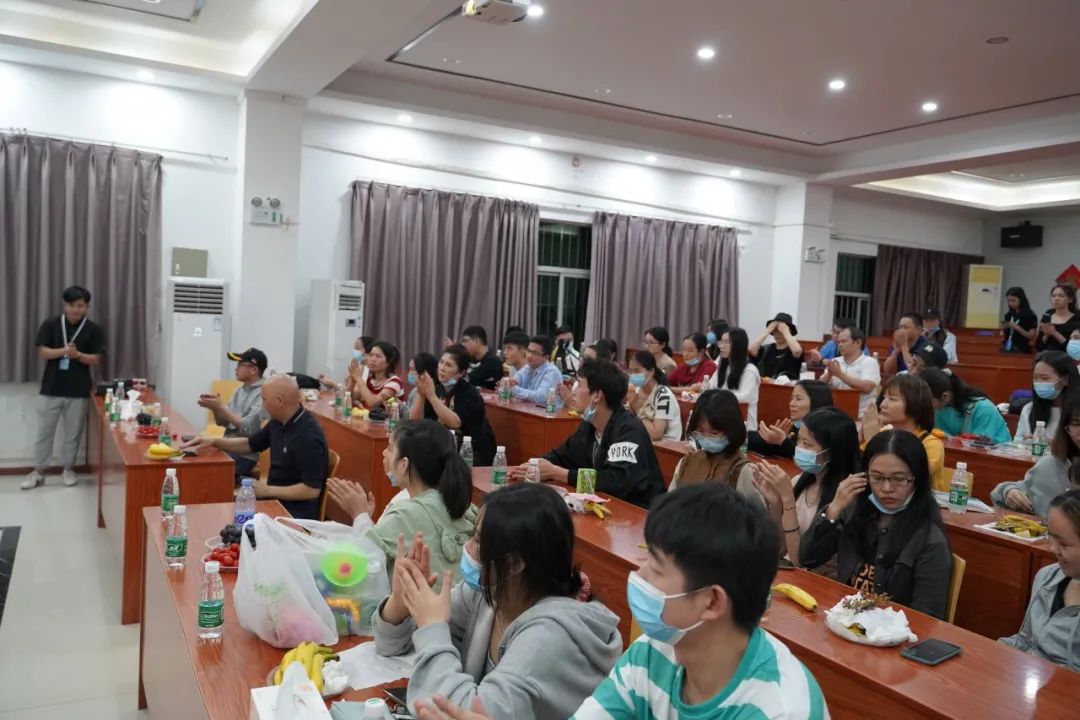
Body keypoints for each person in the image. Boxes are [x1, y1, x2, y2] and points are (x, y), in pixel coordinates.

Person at [572, 484, 828, 719]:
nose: (640, 576)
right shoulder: (652, 652)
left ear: (712, 602)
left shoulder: (782, 710)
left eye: (657, 569)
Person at [373, 483, 622, 720]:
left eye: (478, 540)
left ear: (514, 563)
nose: (468, 548)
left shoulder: (548, 639)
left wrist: (431, 626)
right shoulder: (491, 594)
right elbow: (392, 646)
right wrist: (401, 604)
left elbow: (455, 713)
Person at [800, 429, 953, 619]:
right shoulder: (854, 511)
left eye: (898, 479)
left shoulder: (930, 540)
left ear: (917, 479)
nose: (886, 488)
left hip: (891, 631)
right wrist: (834, 509)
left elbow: (927, 617)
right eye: (877, 478)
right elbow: (808, 558)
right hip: (844, 619)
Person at [325, 419, 477, 582]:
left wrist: (359, 515)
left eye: (390, 448)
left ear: (404, 464)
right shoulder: (464, 505)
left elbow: (364, 560)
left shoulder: (406, 513)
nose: (384, 453)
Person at [511, 359, 665, 508]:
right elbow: (562, 456)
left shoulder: (629, 430)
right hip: (605, 506)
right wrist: (532, 467)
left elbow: (615, 482)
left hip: (638, 512)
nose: (573, 391)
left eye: (579, 385)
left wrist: (558, 473)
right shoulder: (590, 424)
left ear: (597, 396)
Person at [184, 375, 328, 519]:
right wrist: (214, 442)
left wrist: (267, 490)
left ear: (279, 401)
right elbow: (250, 444)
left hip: (294, 513)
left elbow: (311, 490)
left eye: (264, 399)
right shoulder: (279, 421)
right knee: (217, 511)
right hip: (273, 500)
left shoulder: (308, 436)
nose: (262, 405)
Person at [751, 407, 862, 568]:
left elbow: (798, 560)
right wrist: (776, 504)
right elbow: (780, 550)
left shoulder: (845, 496)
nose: (799, 448)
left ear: (832, 452)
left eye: (807, 444)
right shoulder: (800, 481)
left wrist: (788, 500)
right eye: (798, 441)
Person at [23, 285, 106, 490]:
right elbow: (43, 351)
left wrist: (78, 355)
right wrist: (64, 351)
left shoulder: (94, 329)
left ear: (86, 307)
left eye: (80, 306)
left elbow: (96, 359)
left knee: (73, 434)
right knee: (44, 433)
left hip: (78, 391)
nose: (75, 310)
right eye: (71, 305)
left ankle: (68, 469)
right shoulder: (51, 324)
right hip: (51, 388)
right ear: (64, 304)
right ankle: (38, 471)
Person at [999, 489, 1080, 671]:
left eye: (1064, 544)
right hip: (1031, 677)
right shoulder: (1046, 578)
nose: (1053, 549)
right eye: (1051, 537)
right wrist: (991, 650)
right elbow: (1025, 641)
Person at [670, 389, 761, 506]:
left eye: (714, 433)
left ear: (731, 430)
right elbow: (669, 505)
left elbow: (756, 514)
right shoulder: (686, 463)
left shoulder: (743, 471)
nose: (706, 437)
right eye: (700, 431)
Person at [410, 345, 497, 466]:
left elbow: (455, 422)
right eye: (441, 362)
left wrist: (432, 396)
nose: (442, 368)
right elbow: (415, 421)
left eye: (448, 365)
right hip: (445, 447)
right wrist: (421, 394)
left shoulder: (470, 394)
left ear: (460, 373)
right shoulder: (437, 389)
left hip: (472, 453)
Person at [992, 398, 1080, 516]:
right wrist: (1009, 491)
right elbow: (1009, 490)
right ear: (1066, 428)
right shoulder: (1050, 464)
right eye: (1076, 424)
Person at [861, 374, 946, 492]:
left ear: (914, 404)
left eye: (892, 399)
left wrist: (872, 440)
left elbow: (903, 479)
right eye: (884, 398)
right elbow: (860, 469)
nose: (882, 404)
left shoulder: (931, 444)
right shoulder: (883, 433)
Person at [198, 348, 269, 480]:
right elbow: (222, 423)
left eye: (240, 365)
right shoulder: (240, 390)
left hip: (244, 454)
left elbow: (250, 430)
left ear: (254, 370)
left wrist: (222, 408)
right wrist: (215, 408)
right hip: (227, 446)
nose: (236, 369)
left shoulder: (264, 393)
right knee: (194, 457)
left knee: (203, 474)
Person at [922, 368, 1011, 444]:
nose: (922, 403)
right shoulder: (940, 408)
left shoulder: (984, 409)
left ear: (945, 396)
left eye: (928, 399)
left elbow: (980, 446)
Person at [747, 380, 833, 458]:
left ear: (816, 401)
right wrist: (772, 439)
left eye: (798, 399)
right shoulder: (797, 426)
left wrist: (783, 442)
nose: (791, 403)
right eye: (792, 398)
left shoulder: (827, 430)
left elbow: (810, 458)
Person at [698, 327, 761, 428]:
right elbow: (710, 388)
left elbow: (744, 397)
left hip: (744, 427)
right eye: (721, 342)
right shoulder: (723, 368)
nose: (721, 346)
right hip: (721, 422)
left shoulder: (750, 371)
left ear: (738, 345)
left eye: (726, 342)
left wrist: (717, 395)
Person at [1015, 351, 1080, 442]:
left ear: (1065, 379)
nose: (1038, 383)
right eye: (1035, 377)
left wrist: (1054, 445)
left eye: (1044, 378)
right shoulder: (1029, 409)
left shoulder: (1077, 410)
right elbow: (1017, 442)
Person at [821, 326, 881, 416]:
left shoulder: (870, 362)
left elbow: (867, 387)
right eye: (839, 342)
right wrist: (829, 375)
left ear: (858, 342)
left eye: (843, 341)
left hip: (862, 414)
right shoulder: (835, 361)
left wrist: (839, 374)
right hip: (835, 413)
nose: (840, 345)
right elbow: (820, 385)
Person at [626, 351, 682, 442]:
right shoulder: (636, 390)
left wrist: (639, 410)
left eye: (636, 371)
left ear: (651, 372)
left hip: (664, 445)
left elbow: (656, 434)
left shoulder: (663, 395)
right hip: (641, 439)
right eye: (630, 371)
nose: (633, 375)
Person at [507, 335, 563, 405]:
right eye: (529, 351)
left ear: (546, 357)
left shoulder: (552, 372)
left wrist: (514, 390)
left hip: (547, 411)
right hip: (528, 410)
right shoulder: (528, 367)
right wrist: (507, 384)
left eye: (535, 353)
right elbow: (513, 382)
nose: (529, 356)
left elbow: (541, 397)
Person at [749, 312, 804, 381]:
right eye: (775, 330)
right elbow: (752, 350)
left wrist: (786, 332)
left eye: (780, 331)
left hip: (786, 386)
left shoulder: (794, 349)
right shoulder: (767, 349)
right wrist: (768, 330)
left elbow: (797, 351)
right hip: (765, 385)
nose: (778, 333)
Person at [352, 340, 405, 410]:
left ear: (389, 361)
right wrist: (352, 379)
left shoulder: (394, 382)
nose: (373, 359)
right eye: (371, 355)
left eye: (378, 356)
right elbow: (352, 398)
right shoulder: (370, 380)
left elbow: (373, 403)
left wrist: (359, 379)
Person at [882, 312, 929, 379]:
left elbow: (913, 370)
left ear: (919, 329)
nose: (901, 330)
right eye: (900, 327)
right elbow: (888, 371)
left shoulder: (926, 345)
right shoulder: (898, 342)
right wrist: (896, 351)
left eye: (905, 327)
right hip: (899, 380)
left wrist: (904, 346)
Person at [1036, 284, 1080, 353]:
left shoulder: (1076, 318)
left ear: (1070, 299)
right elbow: (1039, 346)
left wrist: (1054, 333)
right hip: (1046, 355)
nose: (1056, 299)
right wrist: (1046, 335)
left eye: (1061, 296)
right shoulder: (1047, 315)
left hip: (1066, 356)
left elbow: (1074, 350)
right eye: (1054, 296)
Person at [461, 326, 504, 390]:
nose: (463, 344)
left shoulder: (492, 362)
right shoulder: (470, 358)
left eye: (465, 341)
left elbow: (469, 380)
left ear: (476, 341)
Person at [1002, 287, 1038, 354]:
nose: (1010, 304)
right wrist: (1004, 326)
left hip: (1021, 349)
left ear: (1021, 299)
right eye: (1008, 301)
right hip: (1007, 346)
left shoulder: (1030, 315)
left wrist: (1017, 327)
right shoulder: (1009, 314)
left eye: (1013, 301)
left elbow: (1032, 336)